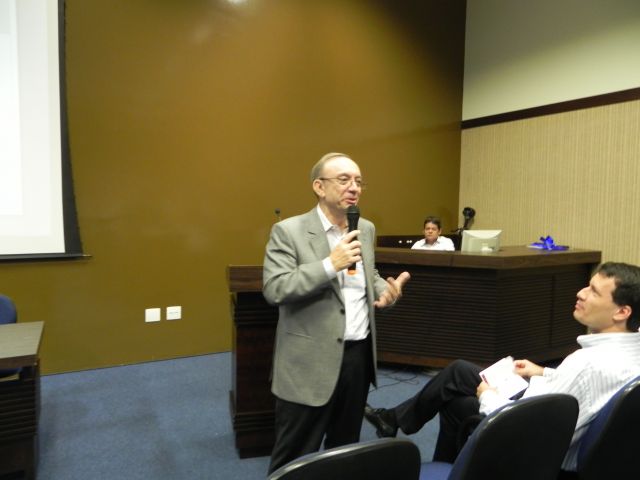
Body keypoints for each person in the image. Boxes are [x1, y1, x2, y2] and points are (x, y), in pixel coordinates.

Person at [364, 262, 640, 473]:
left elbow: (529, 430)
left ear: (622, 312)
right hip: (588, 446)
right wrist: (543, 372)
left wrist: (487, 395)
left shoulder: (586, 363)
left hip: (542, 451)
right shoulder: (630, 350)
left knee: (458, 400)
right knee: (460, 374)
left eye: (593, 291)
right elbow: (590, 390)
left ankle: (411, 435)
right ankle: (398, 423)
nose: (580, 293)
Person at [263, 152, 411, 474]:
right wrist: (330, 265)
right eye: (344, 180)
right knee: (294, 458)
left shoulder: (365, 228)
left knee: (344, 454)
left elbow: (367, 274)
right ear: (319, 186)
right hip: (308, 362)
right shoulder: (289, 231)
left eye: (358, 181)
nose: (354, 187)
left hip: (357, 358)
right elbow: (275, 288)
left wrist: (385, 291)